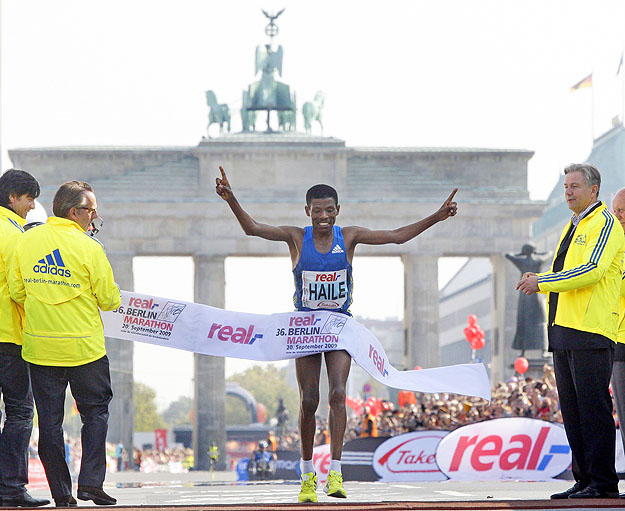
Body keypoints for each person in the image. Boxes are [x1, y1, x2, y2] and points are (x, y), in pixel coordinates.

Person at [215, 166, 457, 502]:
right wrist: (231, 199)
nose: (323, 217)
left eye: (329, 210)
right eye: (317, 211)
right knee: (309, 400)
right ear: (307, 212)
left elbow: (397, 236)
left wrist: (437, 216)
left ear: (337, 211)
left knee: (339, 394)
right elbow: (252, 228)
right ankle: (307, 474)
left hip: (340, 326)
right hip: (306, 328)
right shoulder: (297, 238)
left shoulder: (351, 236)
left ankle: (336, 473)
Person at [8, 181, 121, 507]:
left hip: (41, 349)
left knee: (50, 424)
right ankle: (91, 484)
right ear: (75, 212)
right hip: (85, 350)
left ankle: (62, 495)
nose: (94, 215)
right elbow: (110, 299)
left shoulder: (27, 240)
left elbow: (17, 292)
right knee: (95, 416)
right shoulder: (89, 248)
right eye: (91, 209)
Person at [516, 163, 624, 499]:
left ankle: (603, 482)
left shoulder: (604, 223)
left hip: (591, 328)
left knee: (594, 408)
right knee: (574, 411)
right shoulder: (574, 225)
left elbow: (592, 270)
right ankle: (584, 477)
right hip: (564, 328)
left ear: (594, 190)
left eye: (575, 186)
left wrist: (542, 281)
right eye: (565, 186)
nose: (568, 192)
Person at [0, 169, 50, 508]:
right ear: (12, 197)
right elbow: (23, 289)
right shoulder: (18, 236)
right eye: (29, 198)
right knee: (19, 413)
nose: (32, 206)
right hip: (10, 336)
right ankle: (11, 489)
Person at [609, 187, 625, 488]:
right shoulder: (612, 245)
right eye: (616, 211)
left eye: (622, 210)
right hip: (618, 342)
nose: (618, 216)